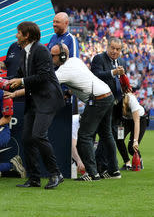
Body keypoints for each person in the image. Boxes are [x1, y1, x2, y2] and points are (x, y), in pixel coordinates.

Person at [8, 21, 64, 189]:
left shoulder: (40, 50)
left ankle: (56, 174)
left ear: (27, 35)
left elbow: (44, 76)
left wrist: (21, 81)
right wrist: (0, 82)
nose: (16, 35)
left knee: (38, 135)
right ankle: (34, 178)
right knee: (26, 139)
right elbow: (17, 77)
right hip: (34, 100)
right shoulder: (25, 52)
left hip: (47, 99)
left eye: (18, 32)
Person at [51, 43, 120, 181]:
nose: (51, 58)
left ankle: (92, 173)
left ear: (62, 56)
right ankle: (114, 171)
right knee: (107, 134)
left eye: (53, 56)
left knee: (84, 135)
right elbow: (81, 79)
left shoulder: (62, 71)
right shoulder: (75, 60)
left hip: (97, 99)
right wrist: (70, 92)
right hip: (107, 94)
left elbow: (46, 83)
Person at [90, 37, 125, 175]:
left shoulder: (121, 62)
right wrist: (113, 73)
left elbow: (120, 81)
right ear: (107, 46)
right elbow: (95, 75)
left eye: (118, 49)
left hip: (116, 104)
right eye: (112, 48)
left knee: (109, 135)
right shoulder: (99, 58)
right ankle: (105, 166)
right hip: (101, 102)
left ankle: (102, 164)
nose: (114, 51)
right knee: (106, 134)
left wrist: (126, 87)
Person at [116, 80, 146, 171]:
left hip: (140, 119)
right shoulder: (116, 100)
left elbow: (137, 121)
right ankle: (127, 163)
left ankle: (139, 162)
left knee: (131, 147)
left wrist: (135, 141)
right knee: (119, 139)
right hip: (125, 121)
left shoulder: (131, 99)